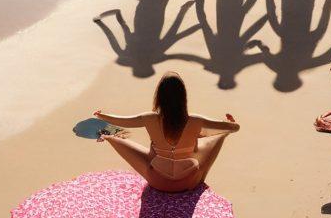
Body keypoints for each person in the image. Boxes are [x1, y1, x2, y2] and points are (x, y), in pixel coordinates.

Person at [93, 73, 240, 192]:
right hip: (188, 182)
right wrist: (230, 125)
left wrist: (102, 116)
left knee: (119, 140)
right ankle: (201, 181)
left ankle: (108, 137)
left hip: (158, 182)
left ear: (160, 97)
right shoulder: (196, 121)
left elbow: (122, 121)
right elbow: (234, 128)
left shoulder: (149, 118)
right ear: (183, 98)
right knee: (218, 136)